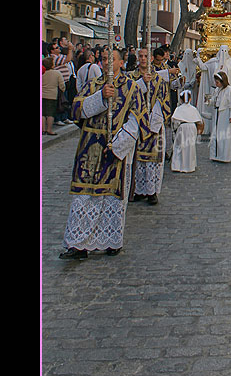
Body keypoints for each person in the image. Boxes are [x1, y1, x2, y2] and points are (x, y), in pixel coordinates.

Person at [59, 47, 147, 259]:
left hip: (115, 149)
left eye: (112, 59)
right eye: (104, 59)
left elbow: (137, 119)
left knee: (111, 197)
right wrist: (100, 97)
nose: (107, 62)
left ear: (121, 63)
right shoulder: (93, 85)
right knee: (84, 197)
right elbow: (76, 110)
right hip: (90, 148)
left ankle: (111, 240)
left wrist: (119, 145)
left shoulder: (131, 88)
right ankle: (77, 244)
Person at [130, 47, 172, 205]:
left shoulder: (159, 80)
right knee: (138, 160)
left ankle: (152, 191)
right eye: (140, 56)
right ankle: (138, 190)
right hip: (137, 124)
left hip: (153, 125)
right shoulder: (131, 77)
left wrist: (156, 115)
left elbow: (165, 101)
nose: (142, 59)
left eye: (145, 56)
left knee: (153, 160)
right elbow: (127, 97)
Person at [171, 89, 204, 172]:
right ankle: (189, 166)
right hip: (192, 127)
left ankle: (178, 166)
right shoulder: (193, 109)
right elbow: (199, 121)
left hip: (182, 128)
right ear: (190, 99)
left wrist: (174, 128)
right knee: (190, 147)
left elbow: (175, 121)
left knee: (179, 146)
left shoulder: (179, 109)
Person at [209, 71, 231, 163]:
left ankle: (224, 156)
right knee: (216, 134)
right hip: (218, 113)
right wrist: (209, 101)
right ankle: (215, 155)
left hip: (225, 115)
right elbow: (214, 100)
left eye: (217, 82)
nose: (216, 84)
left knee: (224, 135)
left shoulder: (230, 90)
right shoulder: (217, 90)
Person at [42, 57, 66, 135]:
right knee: (50, 114)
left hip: (42, 94)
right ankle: (49, 129)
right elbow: (62, 85)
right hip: (52, 95)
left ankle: (43, 129)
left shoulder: (42, 73)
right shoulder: (57, 73)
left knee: (42, 113)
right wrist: (62, 90)